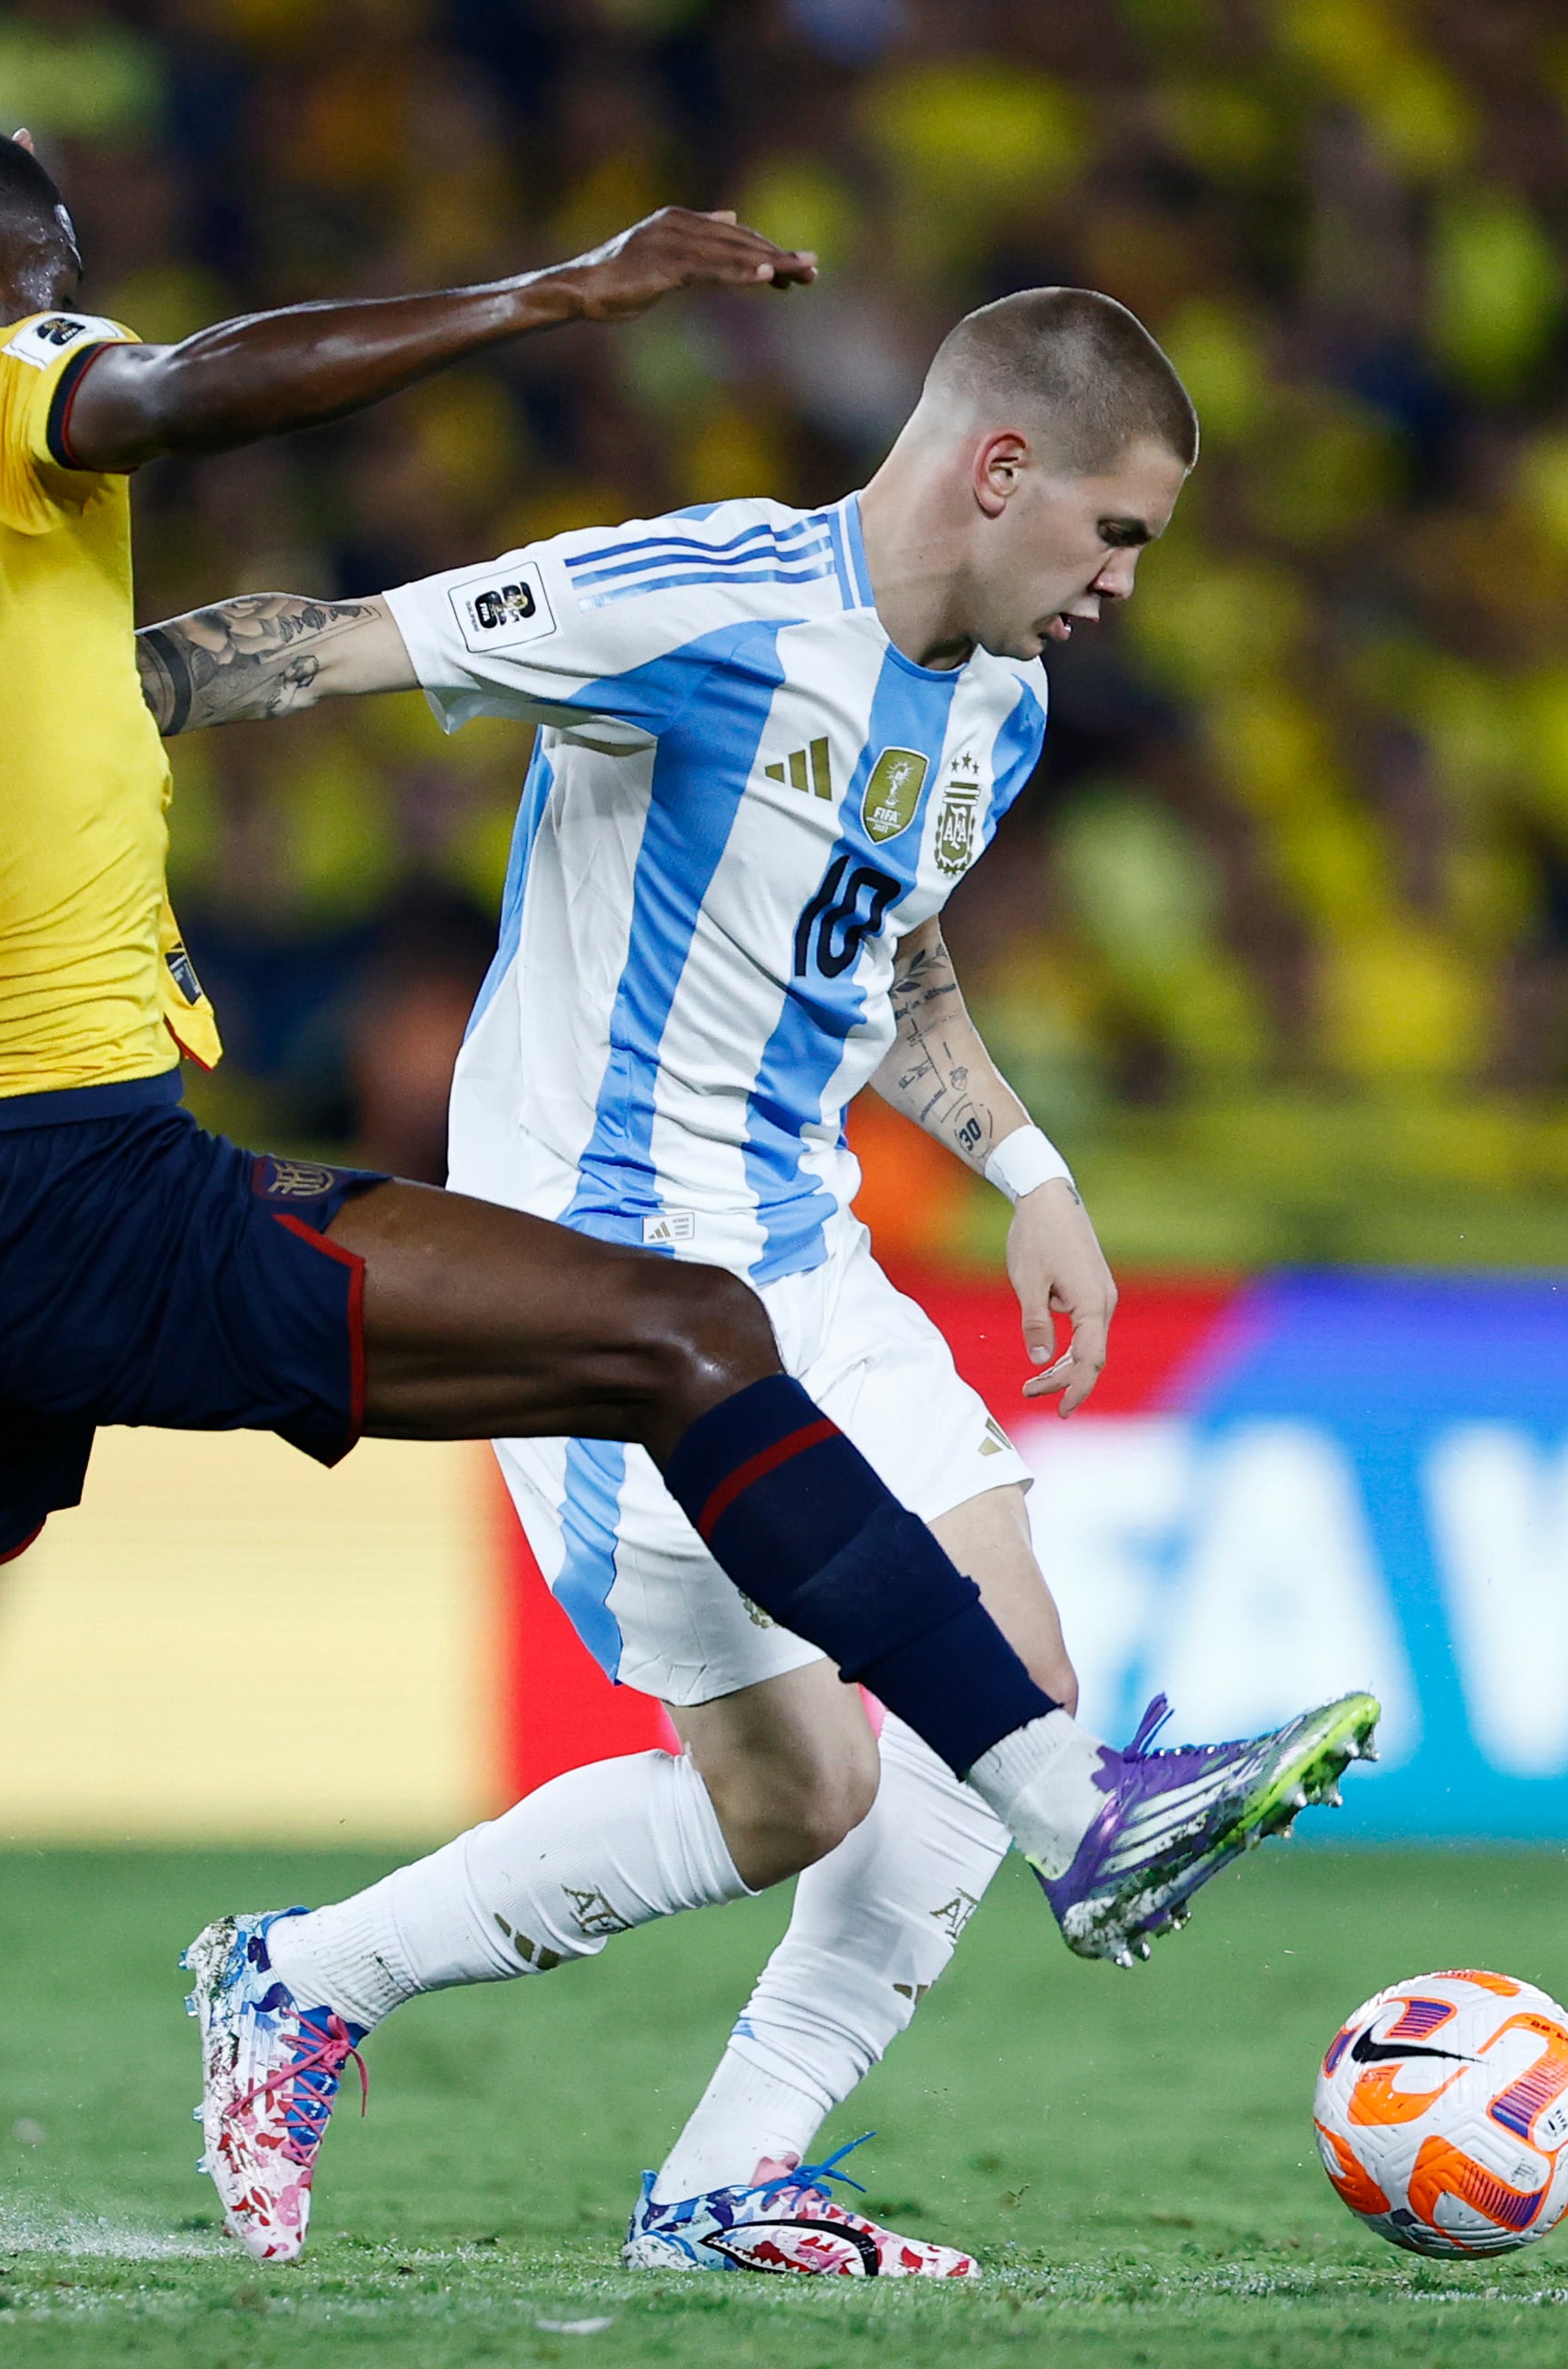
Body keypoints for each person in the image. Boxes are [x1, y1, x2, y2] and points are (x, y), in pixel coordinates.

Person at [0, 109, 1372, 2250]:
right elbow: (167, 400)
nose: (65, 311)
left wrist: (1021, 1155)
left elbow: (870, 922)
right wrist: (541, 295)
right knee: (690, 1349)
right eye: (40, 276)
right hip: (73, 1171)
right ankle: (1045, 1817)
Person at [138, 287, 1379, 2274]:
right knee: (800, 1784)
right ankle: (302, 1977)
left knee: (1012, 1673)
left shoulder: (1002, 699)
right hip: (596, 1286)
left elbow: (878, 945)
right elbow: (326, 651)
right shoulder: (699, 599)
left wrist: (1026, 1163)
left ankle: (728, 2181)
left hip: (807, 1245)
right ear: (1000, 472)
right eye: (1117, 533)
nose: (1122, 585)